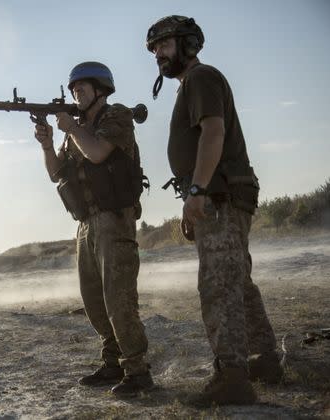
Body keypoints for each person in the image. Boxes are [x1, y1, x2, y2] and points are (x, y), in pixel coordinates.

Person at [146, 15, 282, 405]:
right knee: (237, 280)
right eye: (154, 48)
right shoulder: (192, 82)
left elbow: (214, 132)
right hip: (222, 192)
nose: (158, 53)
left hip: (219, 194)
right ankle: (263, 360)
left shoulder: (200, 78)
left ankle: (233, 378)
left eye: (164, 45)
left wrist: (198, 191)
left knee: (218, 285)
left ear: (187, 44)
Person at [33, 62, 151, 396]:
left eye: (81, 89)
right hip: (85, 223)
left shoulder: (116, 118)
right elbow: (57, 173)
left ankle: (138, 372)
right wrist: (46, 145)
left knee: (118, 298)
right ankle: (113, 362)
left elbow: (98, 153)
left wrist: (71, 127)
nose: (75, 95)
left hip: (114, 219)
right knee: (93, 299)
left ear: (100, 89)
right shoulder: (78, 130)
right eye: (73, 90)